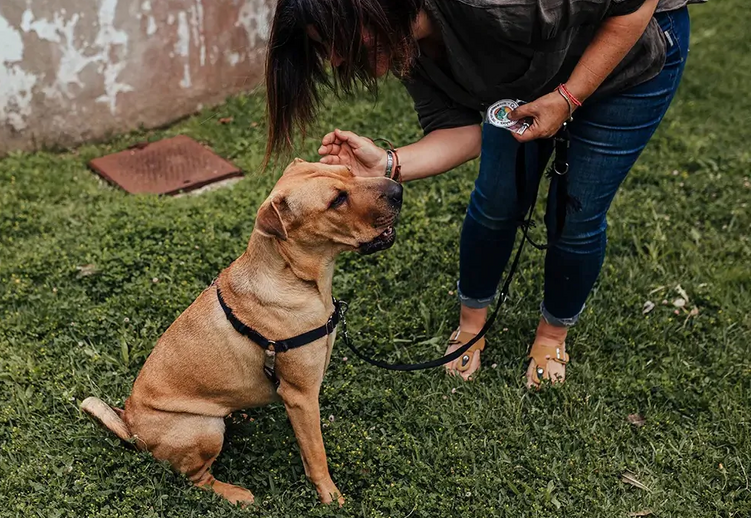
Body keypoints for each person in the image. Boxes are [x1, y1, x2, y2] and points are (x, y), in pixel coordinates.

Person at [264, 0, 703, 388]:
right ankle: (472, 324)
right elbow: (460, 131)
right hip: (533, 73)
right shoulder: (401, 41)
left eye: (340, 37)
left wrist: (569, 96)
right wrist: (387, 164)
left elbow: (632, 2)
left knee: (577, 213)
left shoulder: (490, 4)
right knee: (496, 201)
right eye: (326, 47)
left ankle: (552, 335)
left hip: (629, 52)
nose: (338, 58)